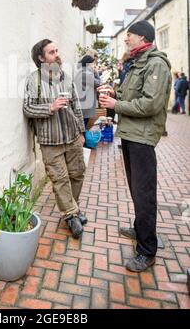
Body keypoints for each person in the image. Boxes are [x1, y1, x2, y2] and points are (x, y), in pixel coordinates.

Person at [99, 20, 171, 272]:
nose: (126, 40)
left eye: (129, 36)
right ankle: (140, 230)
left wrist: (115, 105)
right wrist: (113, 96)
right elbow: (132, 98)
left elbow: (149, 105)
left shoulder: (156, 64)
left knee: (144, 194)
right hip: (131, 134)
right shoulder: (138, 62)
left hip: (142, 138)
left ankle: (147, 250)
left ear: (142, 38)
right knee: (135, 189)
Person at [23, 39, 87, 239]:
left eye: (57, 50)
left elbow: (76, 106)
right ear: (42, 58)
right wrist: (50, 107)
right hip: (50, 141)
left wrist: (82, 132)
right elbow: (27, 108)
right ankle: (70, 215)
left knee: (77, 174)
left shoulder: (66, 78)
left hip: (72, 137)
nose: (57, 55)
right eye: (52, 52)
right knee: (60, 179)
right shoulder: (33, 81)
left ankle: (72, 209)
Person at [74, 54, 100, 130]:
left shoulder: (80, 71)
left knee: (82, 126)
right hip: (85, 104)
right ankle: (84, 141)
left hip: (81, 102)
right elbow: (98, 83)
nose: (94, 65)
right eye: (93, 63)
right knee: (83, 127)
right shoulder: (86, 73)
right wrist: (96, 72)